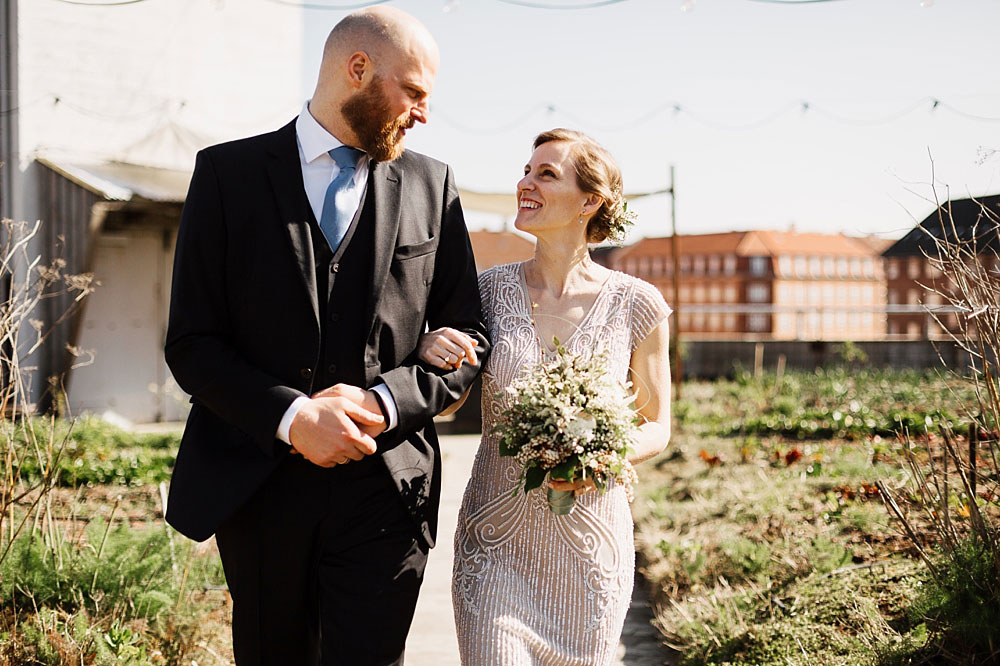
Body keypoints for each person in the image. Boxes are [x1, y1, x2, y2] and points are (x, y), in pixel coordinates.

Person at [163, 7, 488, 665]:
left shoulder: (434, 183)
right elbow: (192, 342)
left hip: (388, 491)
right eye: (414, 92)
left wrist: (386, 401)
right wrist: (293, 417)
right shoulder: (227, 176)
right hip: (260, 488)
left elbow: (470, 334)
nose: (423, 113)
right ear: (358, 69)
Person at [418, 129, 672, 665]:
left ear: (590, 202)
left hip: (590, 552)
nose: (524, 183)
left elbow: (655, 424)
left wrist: (602, 456)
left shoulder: (637, 304)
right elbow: (448, 405)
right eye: (526, 170)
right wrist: (431, 352)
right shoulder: (486, 290)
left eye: (545, 174)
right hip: (495, 548)